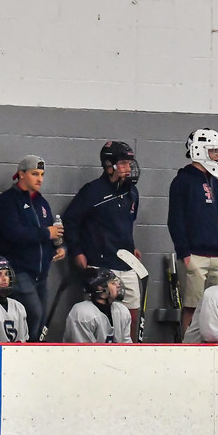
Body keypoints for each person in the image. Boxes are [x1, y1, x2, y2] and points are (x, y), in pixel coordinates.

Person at [63, 141, 143, 340]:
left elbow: (127, 222)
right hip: (100, 263)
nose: (128, 168)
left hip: (126, 263)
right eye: (123, 163)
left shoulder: (132, 192)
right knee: (99, 313)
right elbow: (70, 221)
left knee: (132, 314)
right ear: (109, 165)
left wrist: (131, 246)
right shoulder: (92, 191)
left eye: (129, 163)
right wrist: (77, 251)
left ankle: (130, 350)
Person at [0, 154, 65, 340]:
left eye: (42, 174)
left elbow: (48, 235)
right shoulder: (7, 201)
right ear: (21, 174)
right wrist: (47, 233)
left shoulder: (42, 203)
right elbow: (14, 234)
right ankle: (25, 348)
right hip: (19, 270)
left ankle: (34, 349)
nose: (40, 179)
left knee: (41, 319)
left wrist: (57, 248)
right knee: (34, 314)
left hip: (41, 274)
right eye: (35, 174)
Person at [167, 128, 218, 335]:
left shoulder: (215, 182)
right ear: (199, 150)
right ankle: (188, 344)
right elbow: (175, 220)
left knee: (217, 307)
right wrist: (185, 254)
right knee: (192, 307)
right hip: (194, 256)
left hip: (217, 256)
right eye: (213, 150)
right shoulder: (182, 181)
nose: (217, 155)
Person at [63, 267, 133, 343]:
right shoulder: (82, 313)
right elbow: (82, 349)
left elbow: (127, 345)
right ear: (100, 288)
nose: (118, 285)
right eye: (113, 283)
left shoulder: (122, 311)